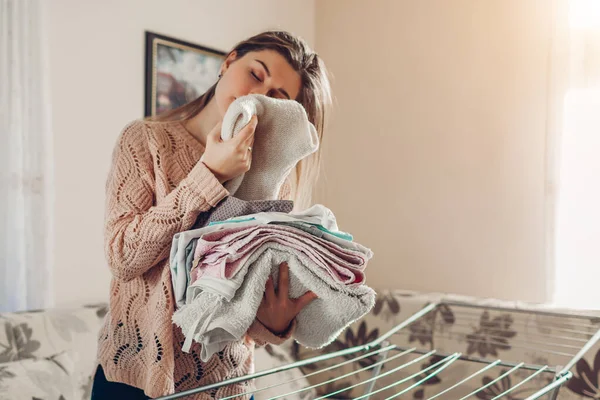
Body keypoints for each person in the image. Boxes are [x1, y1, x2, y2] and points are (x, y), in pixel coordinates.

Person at [91, 30, 332, 399]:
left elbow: (248, 303)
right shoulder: (145, 140)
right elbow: (123, 257)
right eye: (256, 73)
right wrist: (210, 175)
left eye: (277, 97)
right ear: (229, 61)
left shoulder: (272, 175)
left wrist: (275, 324)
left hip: (225, 385)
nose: (257, 96)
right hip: (132, 377)